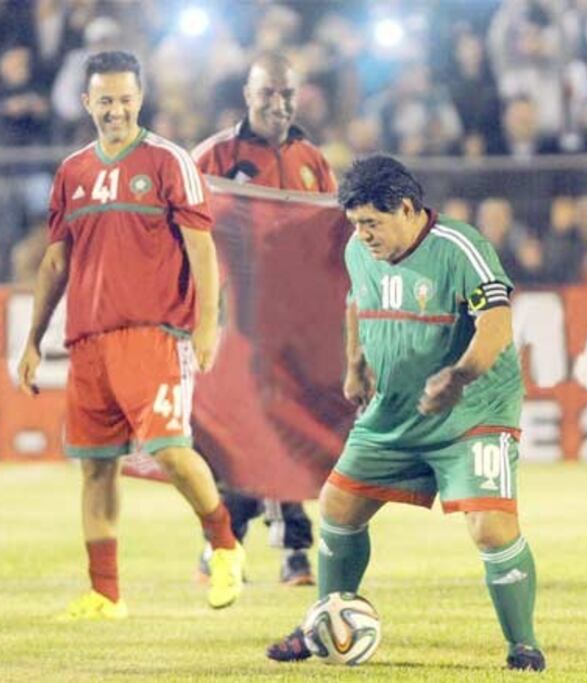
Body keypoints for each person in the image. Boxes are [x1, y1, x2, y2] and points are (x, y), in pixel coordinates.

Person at [265, 155, 545, 672]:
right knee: (338, 506)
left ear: (409, 208)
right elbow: (356, 301)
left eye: (372, 222)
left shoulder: (461, 248)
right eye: (355, 223)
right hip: (395, 412)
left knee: (490, 528)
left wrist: (459, 376)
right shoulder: (357, 250)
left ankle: (522, 645)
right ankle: (328, 620)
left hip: (472, 411)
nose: (363, 234)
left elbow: (498, 324)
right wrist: (355, 364)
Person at [17, 50, 244, 620]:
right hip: (88, 339)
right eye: (105, 100)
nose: (116, 110)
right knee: (97, 467)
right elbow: (54, 263)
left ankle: (224, 545)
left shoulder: (168, 161)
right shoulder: (73, 171)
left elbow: (202, 250)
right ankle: (105, 593)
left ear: (139, 99)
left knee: (171, 450)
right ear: (86, 101)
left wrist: (207, 323)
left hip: (155, 333)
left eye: (125, 99)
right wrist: (31, 339)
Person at [190, 51, 336, 587]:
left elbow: (328, 240)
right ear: (247, 95)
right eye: (268, 92)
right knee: (250, 434)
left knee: (283, 434)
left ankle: (234, 546)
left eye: (287, 94)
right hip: (240, 317)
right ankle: (272, 548)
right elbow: (180, 228)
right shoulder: (213, 156)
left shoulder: (312, 161)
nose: (278, 103)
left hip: (297, 319)